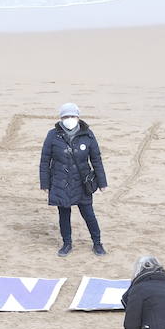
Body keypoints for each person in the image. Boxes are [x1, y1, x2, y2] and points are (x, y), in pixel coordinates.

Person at [40, 103, 108, 256]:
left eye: (72, 116)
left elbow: (96, 159)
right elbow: (45, 160)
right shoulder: (52, 135)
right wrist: (45, 183)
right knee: (64, 215)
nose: (69, 119)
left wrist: (102, 182)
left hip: (82, 183)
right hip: (60, 182)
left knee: (89, 214)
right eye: (65, 116)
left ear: (78, 117)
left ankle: (97, 243)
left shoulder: (88, 135)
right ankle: (67, 243)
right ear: (61, 118)